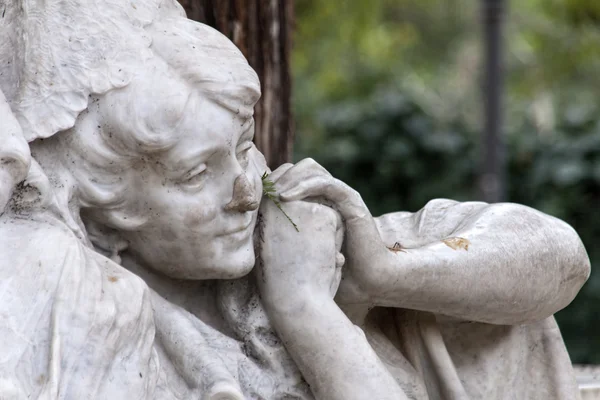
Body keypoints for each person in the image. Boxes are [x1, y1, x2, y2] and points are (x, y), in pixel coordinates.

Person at [0, 0, 590, 399]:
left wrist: (386, 271)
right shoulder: (106, 325)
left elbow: (561, 258)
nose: (244, 189)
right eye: (195, 174)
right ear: (106, 222)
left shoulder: (298, 246)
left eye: (243, 145)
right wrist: (309, 315)